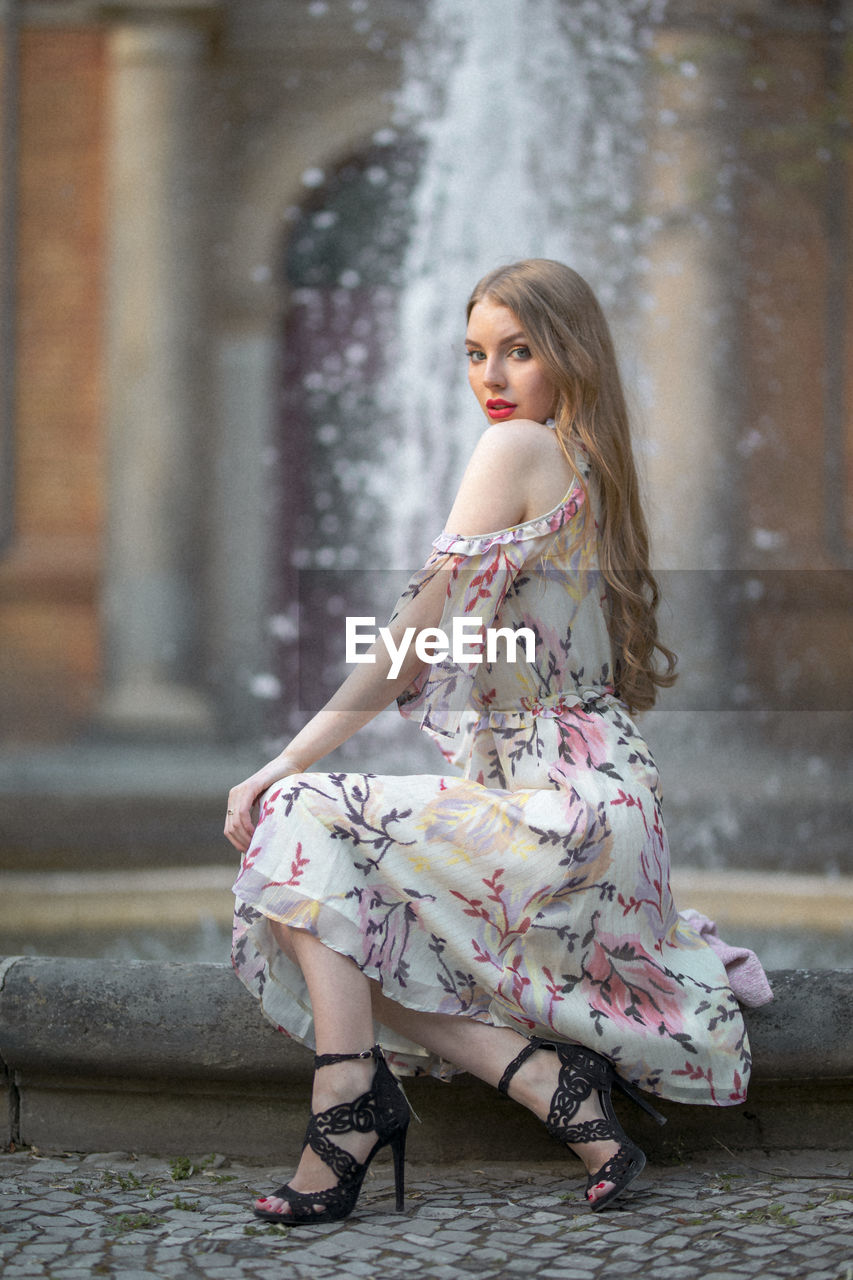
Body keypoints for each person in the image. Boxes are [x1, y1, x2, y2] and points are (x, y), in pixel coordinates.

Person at [225, 258, 767, 1226]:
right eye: (475, 353)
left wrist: (282, 762)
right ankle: (544, 1085)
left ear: (570, 354)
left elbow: (409, 638)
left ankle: (349, 1104)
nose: (493, 377)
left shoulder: (517, 450)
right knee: (331, 896)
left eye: (519, 351)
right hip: (611, 824)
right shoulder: (591, 470)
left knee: (298, 821)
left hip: (561, 815)